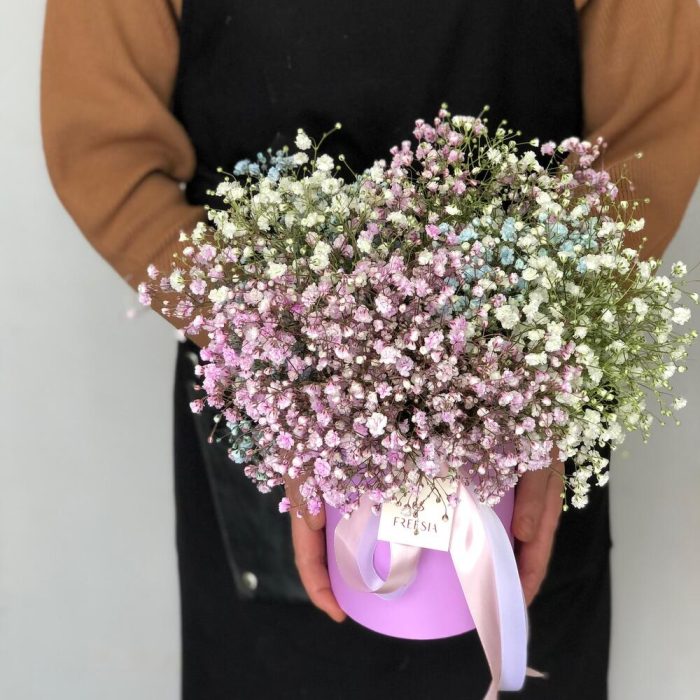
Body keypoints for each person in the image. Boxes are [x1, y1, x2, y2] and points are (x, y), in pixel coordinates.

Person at [40, 1, 700, 698]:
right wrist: (285, 357)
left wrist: (526, 381)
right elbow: (104, 152)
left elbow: (649, 135)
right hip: (269, 443)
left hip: (519, 431)